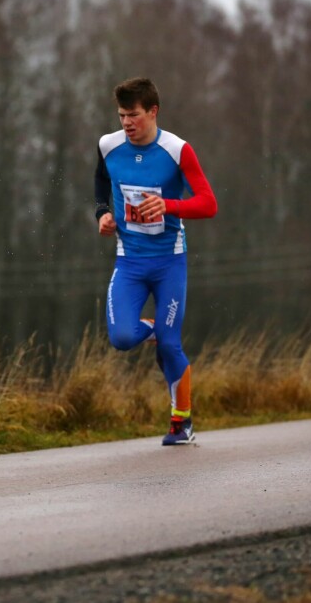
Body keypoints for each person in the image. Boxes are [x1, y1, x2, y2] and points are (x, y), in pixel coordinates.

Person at [93, 77, 217, 446]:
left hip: (169, 263)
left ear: (153, 112)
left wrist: (170, 205)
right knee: (123, 337)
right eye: (121, 116)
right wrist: (102, 212)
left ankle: (182, 422)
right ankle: (154, 328)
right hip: (129, 262)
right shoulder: (108, 145)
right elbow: (101, 180)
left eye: (133, 115)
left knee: (169, 344)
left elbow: (208, 203)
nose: (126, 123)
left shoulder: (178, 150)